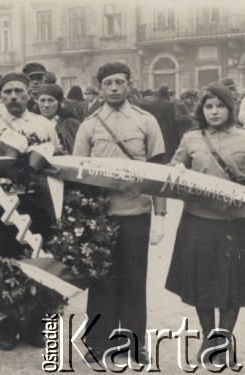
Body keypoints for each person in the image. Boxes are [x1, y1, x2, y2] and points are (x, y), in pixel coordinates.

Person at [72, 62, 166, 365]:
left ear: (130, 84)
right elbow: (78, 173)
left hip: (136, 212)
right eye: (108, 82)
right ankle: (99, 341)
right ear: (100, 87)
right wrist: (82, 217)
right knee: (101, 280)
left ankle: (135, 342)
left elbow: (158, 172)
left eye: (119, 82)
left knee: (134, 280)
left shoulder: (146, 121)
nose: (113, 87)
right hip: (101, 217)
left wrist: (160, 216)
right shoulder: (90, 124)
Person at [0, 72, 60, 351]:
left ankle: (35, 327)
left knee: (36, 258)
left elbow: (54, 160)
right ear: (0, 96)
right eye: (8, 91)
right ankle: (7, 328)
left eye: (19, 91)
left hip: (34, 202)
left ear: (29, 94)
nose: (13, 96)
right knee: (4, 262)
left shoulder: (43, 124)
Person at [165, 83, 245, 367]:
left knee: (232, 283)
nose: (214, 111)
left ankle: (223, 339)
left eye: (219, 106)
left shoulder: (243, 138)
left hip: (234, 223)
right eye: (208, 106)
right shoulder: (191, 138)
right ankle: (209, 337)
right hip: (197, 221)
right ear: (201, 110)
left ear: (230, 108)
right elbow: (174, 170)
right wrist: (178, 171)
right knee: (201, 281)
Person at [36, 83, 81, 154]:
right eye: (42, 100)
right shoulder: (31, 122)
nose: (46, 105)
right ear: (37, 102)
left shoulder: (71, 124)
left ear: (59, 103)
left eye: (50, 100)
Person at [143, 85, 179, 163]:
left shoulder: (150, 104)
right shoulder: (169, 104)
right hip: (165, 135)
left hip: (151, 133)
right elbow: (171, 123)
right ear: (166, 94)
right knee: (166, 157)